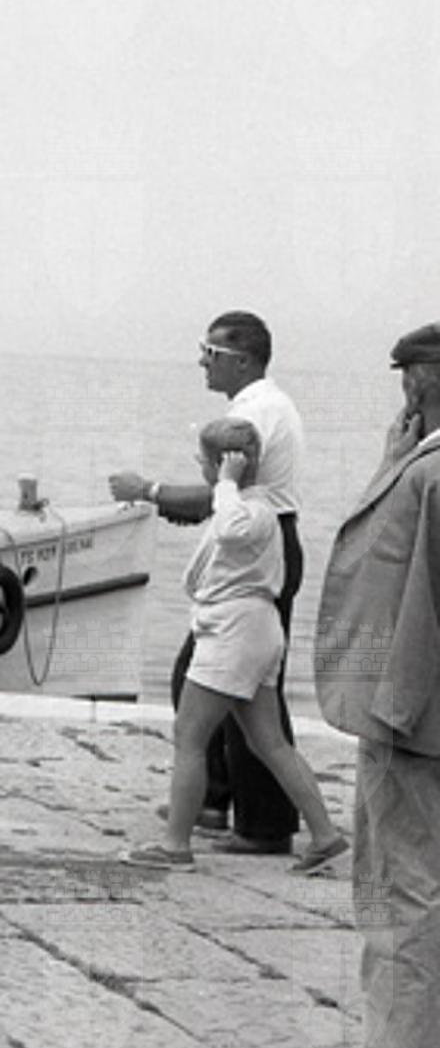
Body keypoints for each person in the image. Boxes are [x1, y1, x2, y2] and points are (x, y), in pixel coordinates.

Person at [109, 310, 306, 852]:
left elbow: (223, 495)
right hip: (260, 542)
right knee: (222, 683)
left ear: (242, 360)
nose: (202, 361)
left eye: (211, 353)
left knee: (233, 687)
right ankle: (215, 800)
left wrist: (148, 490)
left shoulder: (258, 413)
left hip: (256, 551)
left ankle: (263, 824)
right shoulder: (260, 407)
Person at [125, 419, 346, 872]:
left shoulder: (251, 511)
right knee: (268, 742)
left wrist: (226, 483)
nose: (201, 468)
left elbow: (228, 529)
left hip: (234, 634)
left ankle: (175, 846)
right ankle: (325, 835)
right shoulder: (252, 507)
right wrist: (227, 486)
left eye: (204, 461)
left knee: (189, 736)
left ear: (223, 464)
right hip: (253, 631)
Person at [314, 322, 440, 1048]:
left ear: (422, 380)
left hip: (413, 719)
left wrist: (397, 707)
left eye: (406, 376)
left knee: (400, 898)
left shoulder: (434, 473)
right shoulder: (420, 463)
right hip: (415, 711)